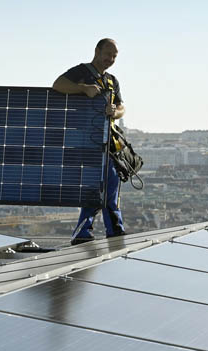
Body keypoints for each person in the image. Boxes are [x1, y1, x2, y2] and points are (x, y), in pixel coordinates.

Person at [52, 38, 127, 245]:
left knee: (104, 185)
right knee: (103, 185)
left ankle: (85, 232)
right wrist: (84, 88)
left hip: (106, 142)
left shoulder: (111, 81)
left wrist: (114, 112)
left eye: (114, 56)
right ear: (97, 51)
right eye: (108, 54)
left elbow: (122, 107)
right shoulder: (81, 72)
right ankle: (112, 231)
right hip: (86, 142)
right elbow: (58, 84)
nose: (110, 59)